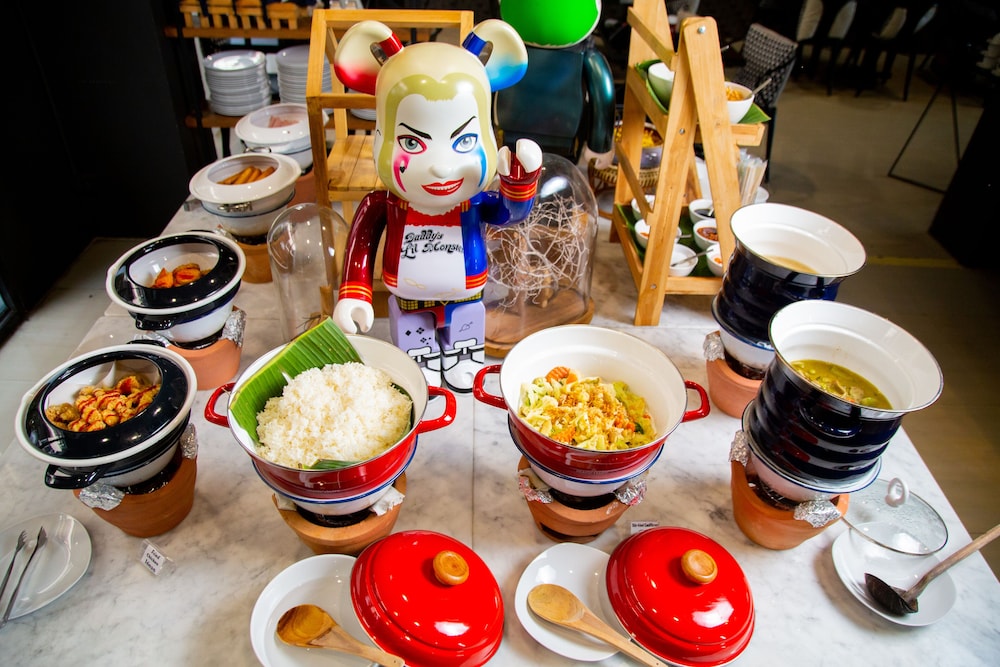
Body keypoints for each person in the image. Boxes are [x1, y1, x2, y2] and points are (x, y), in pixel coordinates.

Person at [331, 19, 542, 392]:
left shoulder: (473, 201)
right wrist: (354, 292)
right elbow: (360, 246)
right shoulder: (384, 203)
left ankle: (463, 357)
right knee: (415, 336)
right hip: (410, 299)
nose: (442, 167)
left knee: (465, 329)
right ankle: (419, 362)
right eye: (412, 144)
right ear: (380, 136)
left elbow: (509, 214)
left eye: (464, 142)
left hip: (466, 295)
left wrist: (519, 185)